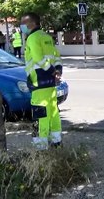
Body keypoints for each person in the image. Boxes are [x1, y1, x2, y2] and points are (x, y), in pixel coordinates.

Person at [20, 12, 63, 150]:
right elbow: (56, 57)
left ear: (31, 24)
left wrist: (51, 71)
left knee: (40, 116)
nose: (21, 26)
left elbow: (39, 59)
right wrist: (57, 72)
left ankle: (40, 149)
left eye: (23, 23)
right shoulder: (47, 37)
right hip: (50, 84)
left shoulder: (32, 38)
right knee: (53, 113)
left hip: (38, 83)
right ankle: (56, 143)